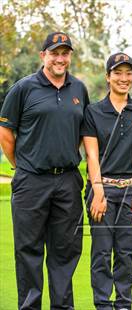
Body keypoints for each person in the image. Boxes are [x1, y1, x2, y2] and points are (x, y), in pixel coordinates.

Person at [0, 31, 89, 309]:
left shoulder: (79, 89)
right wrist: (22, 166)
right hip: (31, 181)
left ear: (70, 56)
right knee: (29, 251)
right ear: (43, 56)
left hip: (68, 181)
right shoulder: (24, 88)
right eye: (54, 53)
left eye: (65, 53)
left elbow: (80, 133)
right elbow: (6, 132)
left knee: (65, 252)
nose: (60, 59)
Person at [81, 53, 132, 309]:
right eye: (118, 73)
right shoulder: (93, 111)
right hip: (102, 191)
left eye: (128, 73)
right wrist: (98, 193)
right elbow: (91, 154)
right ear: (108, 77)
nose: (124, 78)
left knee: (125, 254)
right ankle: (102, 304)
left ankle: (124, 304)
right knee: (101, 254)